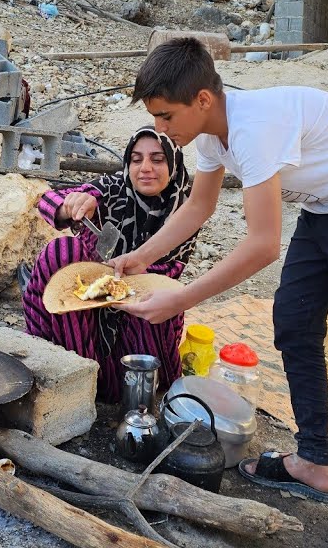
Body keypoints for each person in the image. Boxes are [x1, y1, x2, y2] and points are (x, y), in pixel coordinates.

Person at [109, 38, 328, 548]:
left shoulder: (254, 130)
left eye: (166, 117)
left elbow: (261, 245)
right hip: (326, 206)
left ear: (203, 100)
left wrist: (180, 299)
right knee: (294, 326)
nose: (161, 131)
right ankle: (314, 462)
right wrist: (142, 256)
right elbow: (197, 208)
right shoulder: (209, 135)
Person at [23, 127, 198, 402]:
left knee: (163, 299)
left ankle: (126, 386)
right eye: (136, 159)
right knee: (62, 251)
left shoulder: (186, 206)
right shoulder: (114, 188)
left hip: (139, 309)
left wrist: (117, 283)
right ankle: (77, 370)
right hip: (85, 312)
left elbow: (170, 272)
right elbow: (46, 201)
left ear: (173, 163)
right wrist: (73, 206)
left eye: (157, 159)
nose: (145, 168)